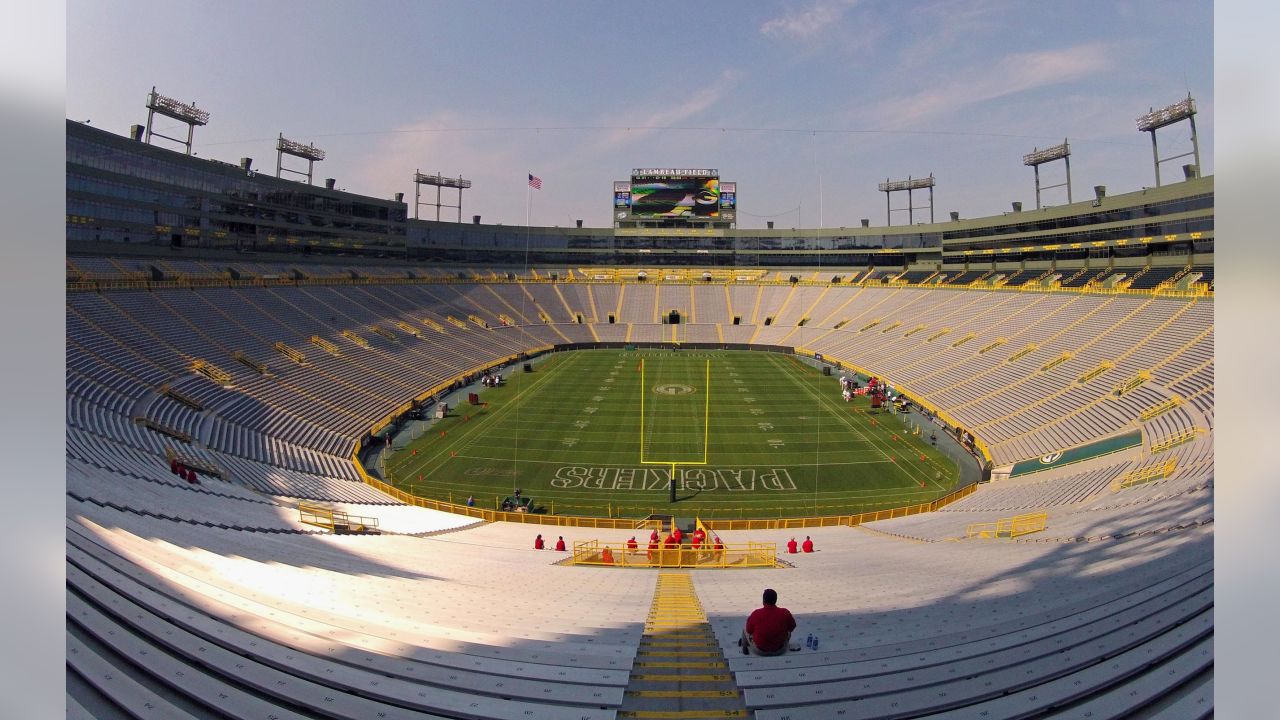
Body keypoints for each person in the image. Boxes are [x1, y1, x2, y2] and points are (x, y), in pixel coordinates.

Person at [739, 588, 799, 656]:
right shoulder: (785, 612)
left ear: (763, 601)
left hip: (760, 650)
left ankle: (744, 645)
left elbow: (749, 630)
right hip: (780, 650)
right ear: (776, 600)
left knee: (745, 629)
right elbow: (792, 627)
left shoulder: (756, 613)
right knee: (788, 631)